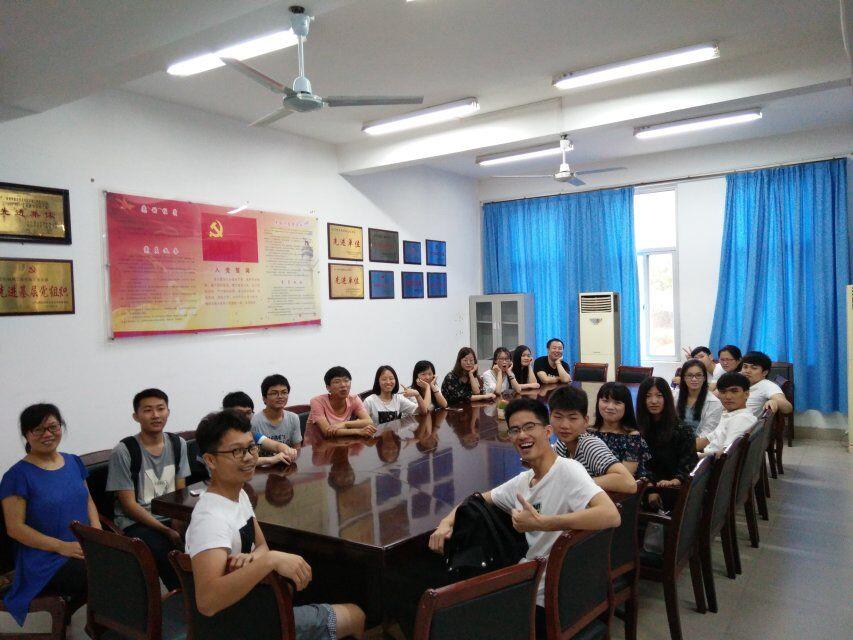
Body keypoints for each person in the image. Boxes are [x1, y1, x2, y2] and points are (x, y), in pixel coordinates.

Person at [429, 397, 620, 631]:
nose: (522, 435)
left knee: (448, 616)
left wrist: (543, 523)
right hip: (532, 585)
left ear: (547, 431)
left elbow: (611, 515)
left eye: (530, 427)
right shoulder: (523, 481)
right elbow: (478, 499)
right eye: (515, 430)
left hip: (545, 600)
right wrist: (445, 522)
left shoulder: (567, 470)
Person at [185, 409, 365, 638]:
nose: (249, 457)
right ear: (210, 460)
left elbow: (262, 547)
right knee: (356, 615)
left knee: (329, 580)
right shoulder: (210, 520)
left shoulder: (238, 494)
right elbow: (207, 601)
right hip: (244, 626)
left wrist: (253, 560)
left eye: (251, 447)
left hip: (256, 601)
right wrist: (268, 561)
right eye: (237, 451)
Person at [0, 404, 101, 627]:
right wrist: (62, 547)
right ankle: (104, 627)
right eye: (38, 429)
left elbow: (88, 500)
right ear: (26, 434)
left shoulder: (73, 461)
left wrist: (97, 533)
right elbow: (15, 528)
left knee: (126, 563)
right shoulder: (16, 476)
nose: (47, 434)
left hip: (83, 546)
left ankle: (110, 625)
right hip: (44, 558)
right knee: (104, 572)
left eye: (53, 427)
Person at [106, 388, 189, 590]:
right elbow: (128, 505)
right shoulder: (124, 451)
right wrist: (166, 530)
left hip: (170, 514)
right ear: (136, 416)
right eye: (148, 410)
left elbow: (180, 490)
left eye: (160, 409)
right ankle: (182, 596)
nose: (156, 415)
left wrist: (178, 519)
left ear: (168, 412)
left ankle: (207, 589)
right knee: (165, 551)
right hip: (137, 521)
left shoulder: (178, 444)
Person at [549, 386, 636, 494]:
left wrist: (578, 484)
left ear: (585, 421)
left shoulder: (588, 444)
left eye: (573, 418)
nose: (564, 425)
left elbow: (629, 483)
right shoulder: (561, 444)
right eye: (558, 417)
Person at [636, 378, 698, 510]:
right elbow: (638, 465)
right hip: (643, 486)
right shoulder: (636, 430)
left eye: (659, 395)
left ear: (667, 399)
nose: (653, 401)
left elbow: (689, 462)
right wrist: (649, 488)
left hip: (673, 490)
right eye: (648, 396)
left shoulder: (682, 430)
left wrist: (676, 480)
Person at [589, 382, 650, 478]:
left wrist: (589, 482)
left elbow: (625, 476)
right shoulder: (588, 433)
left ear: (626, 407)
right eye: (605, 401)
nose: (610, 407)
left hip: (620, 486)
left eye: (617, 403)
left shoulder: (632, 437)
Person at [223, 391, 294, 468]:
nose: (244, 417)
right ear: (226, 414)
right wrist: (271, 459)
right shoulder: (220, 436)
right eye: (239, 413)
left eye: (248, 413)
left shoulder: (249, 433)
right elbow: (235, 462)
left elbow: (275, 445)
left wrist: (286, 449)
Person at [697, 372, 757, 455]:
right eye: (723, 392)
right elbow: (706, 440)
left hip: (709, 461)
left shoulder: (742, 419)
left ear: (746, 394)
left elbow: (726, 455)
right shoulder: (728, 415)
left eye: (734, 391)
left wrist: (697, 456)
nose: (728, 397)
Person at [308, 367, 377, 438]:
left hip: (343, 441)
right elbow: (327, 431)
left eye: (346, 380)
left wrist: (344, 424)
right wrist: (359, 431)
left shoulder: (354, 399)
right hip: (317, 443)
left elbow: (369, 422)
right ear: (328, 387)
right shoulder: (317, 401)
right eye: (337, 382)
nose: (343, 385)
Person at [251, 375, 301, 462]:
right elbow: (250, 457)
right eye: (274, 393)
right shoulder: (254, 422)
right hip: (263, 467)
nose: (280, 396)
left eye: (284, 392)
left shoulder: (293, 418)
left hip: (287, 464)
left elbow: (297, 449)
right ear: (264, 398)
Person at [673, 358, 723, 440]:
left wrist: (688, 445)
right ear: (683, 378)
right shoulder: (674, 396)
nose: (694, 379)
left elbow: (708, 433)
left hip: (698, 443)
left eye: (698, 375)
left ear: (704, 378)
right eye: (689, 375)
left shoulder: (714, 403)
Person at [363, 365, 427, 424]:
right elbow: (362, 423)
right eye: (384, 379)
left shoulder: (398, 399)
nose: (388, 382)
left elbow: (422, 411)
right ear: (378, 381)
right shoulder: (369, 401)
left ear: (395, 380)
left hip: (395, 433)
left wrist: (417, 395)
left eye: (391, 378)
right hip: (377, 433)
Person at [740, 351, 793, 417]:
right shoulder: (739, 380)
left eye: (754, 368)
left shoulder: (767, 385)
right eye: (745, 367)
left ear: (764, 373)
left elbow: (788, 408)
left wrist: (774, 401)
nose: (747, 371)